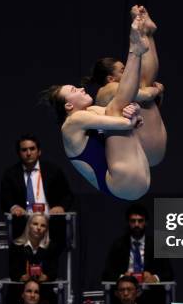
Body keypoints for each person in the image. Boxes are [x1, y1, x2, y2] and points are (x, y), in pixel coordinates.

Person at [42, 12, 151, 200]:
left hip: (136, 179)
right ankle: (135, 51)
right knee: (115, 108)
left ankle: (137, 51)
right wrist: (130, 117)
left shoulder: (90, 112)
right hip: (123, 183)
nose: (80, 88)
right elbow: (123, 123)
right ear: (68, 105)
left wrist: (135, 112)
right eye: (74, 90)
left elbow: (133, 120)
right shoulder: (73, 122)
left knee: (117, 108)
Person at [84, 5, 167, 167]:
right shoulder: (106, 91)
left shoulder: (117, 89)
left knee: (142, 84)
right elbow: (145, 94)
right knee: (142, 84)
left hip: (151, 149)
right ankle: (146, 32)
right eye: (123, 70)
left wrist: (155, 94)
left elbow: (150, 106)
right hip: (141, 154)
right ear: (110, 78)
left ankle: (146, 32)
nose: (130, 70)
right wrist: (157, 90)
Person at [0, 133, 74, 217]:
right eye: (24, 150)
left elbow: (67, 195)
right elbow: (5, 198)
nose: (28, 153)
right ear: (19, 153)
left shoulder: (53, 170)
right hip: (22, 223)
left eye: (32, 149)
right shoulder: (10, 174)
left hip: (50, 221)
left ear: (39, 152)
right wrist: (14, 207)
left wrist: (61, 207)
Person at [102, 203, 173, 283]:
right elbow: (106, 274)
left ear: (146, 223)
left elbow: (169, 273)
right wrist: (123, 278)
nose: (136, 224)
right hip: (125, 292)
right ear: (128, 223)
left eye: (140, 221)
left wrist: (155, 278)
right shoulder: (118, 245)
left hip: (150, 291)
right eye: (133, 221)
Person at [8, 213, 63, 304]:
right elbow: (12, 271)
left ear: (46, 229)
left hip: (44, 294)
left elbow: (53, 271)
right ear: (29, 225)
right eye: (35, 224)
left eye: (43, 225)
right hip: (20, 294)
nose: (38, 228)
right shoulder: (16, 246)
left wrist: (45, 277)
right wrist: (22, 277)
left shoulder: (51, 247)